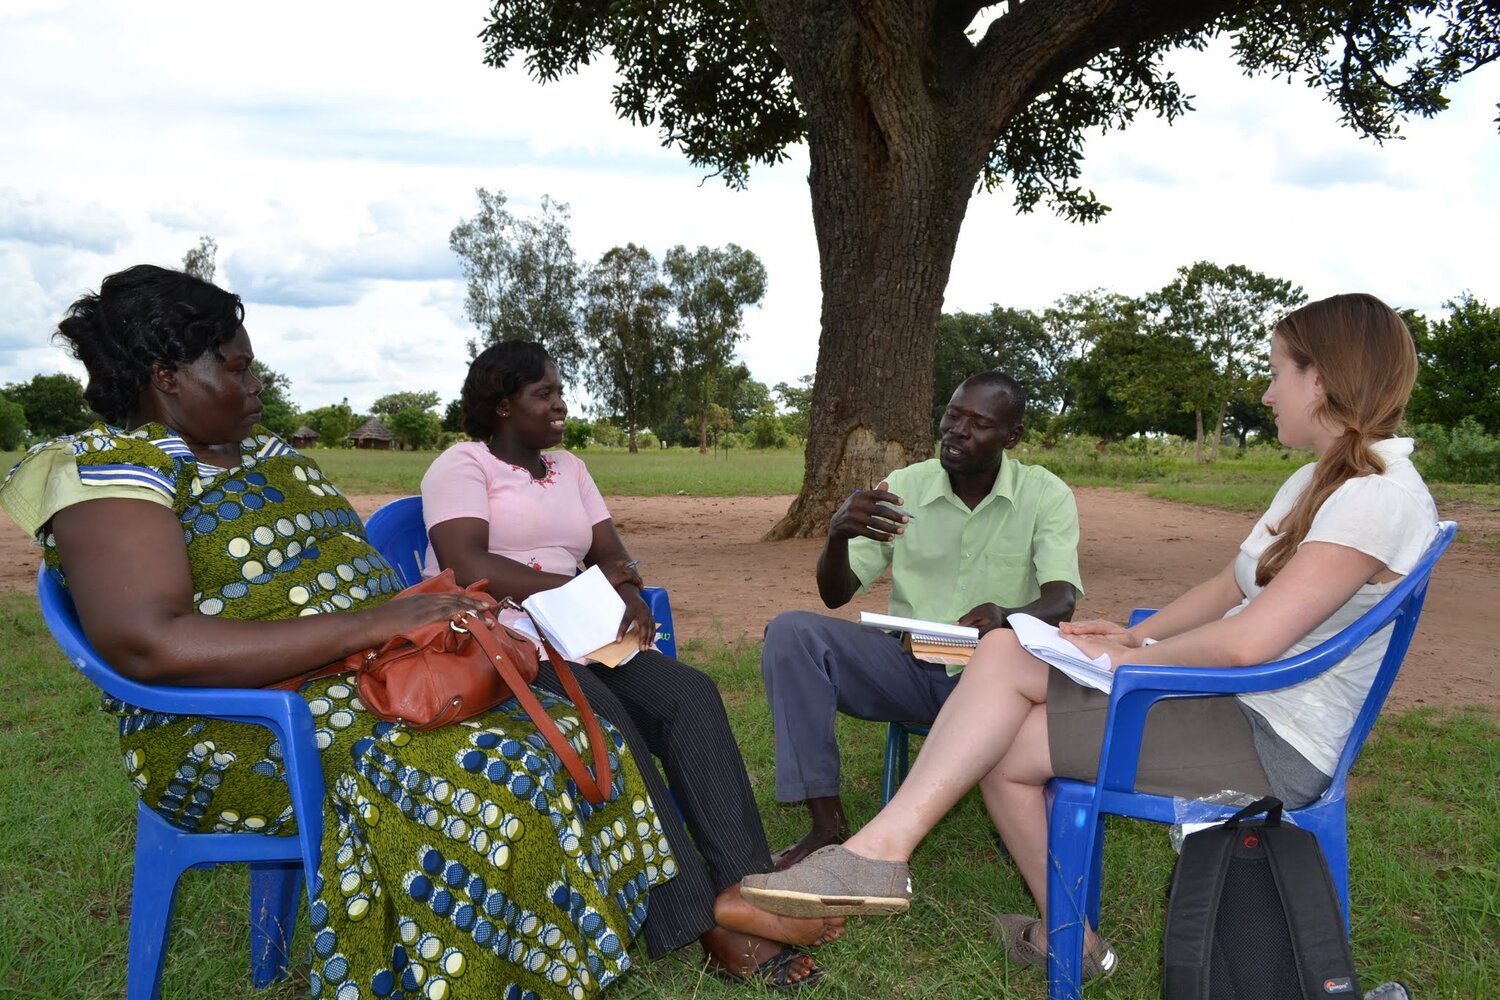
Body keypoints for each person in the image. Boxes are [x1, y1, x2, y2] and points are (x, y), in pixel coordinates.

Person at [0, 265, 675, 1000]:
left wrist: (430, 620)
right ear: (167, 377)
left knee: (565, 729)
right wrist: (375, 624)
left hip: (368, 680)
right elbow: (149, 644)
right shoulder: (112, 472)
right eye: (237, 368)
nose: (257, 384)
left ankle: (561, 961)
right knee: (488, 771)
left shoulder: (269, 457)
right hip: (236, 726)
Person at [740, 293, 1440, 984]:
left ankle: (884, 853)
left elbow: (1247, 644)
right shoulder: (1326, 481)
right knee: (1003, 706)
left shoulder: (1374, 498)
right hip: (1238, 704)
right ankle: (1060, 936)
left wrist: (1129, 657)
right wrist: (1135, 636)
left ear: (1320, 380)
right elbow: (1231, 587)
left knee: (1004, 678)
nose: (1267, 392)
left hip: (1272, 738)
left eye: (1278, 371)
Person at [419, 341, 841, 989]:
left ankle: (748, 890)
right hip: (505, 642)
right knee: (609, 722)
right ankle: (702, 921)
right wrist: (577, 590)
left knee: (690, 695)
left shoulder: (570, 468)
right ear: (503, 405)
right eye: (544, 394)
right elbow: (466, 563)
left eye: (560, 392)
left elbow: (612, 553)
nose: (560, 405)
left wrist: (629, 591)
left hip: (583, 634)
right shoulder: (461, 465)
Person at [759, 370, 1083, 869]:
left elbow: (1061, 600)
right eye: (952, 415)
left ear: (1012, 436)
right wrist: (837, 536)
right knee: (791, 633)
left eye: (979, 424)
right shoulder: (905, 487)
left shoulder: (1045, 494)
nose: (957, 431)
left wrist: (1005, 616)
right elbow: (834, 593)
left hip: (995, 683)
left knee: (1011, 673)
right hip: (907, 666)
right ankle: (826, 824)